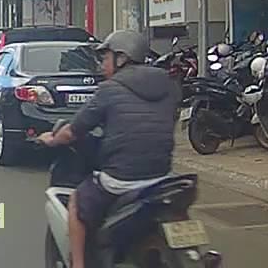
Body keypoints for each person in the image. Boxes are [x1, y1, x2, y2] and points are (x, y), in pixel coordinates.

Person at [36, 30, 178, 268]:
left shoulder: (109, 89)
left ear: (121, 58)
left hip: (122, 179)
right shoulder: (169, 86)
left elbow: (73, 131)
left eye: (105, 58)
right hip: (163, 177)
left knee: (76, 203)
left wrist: (51, 139)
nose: (102, 65)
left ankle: (78, 264)